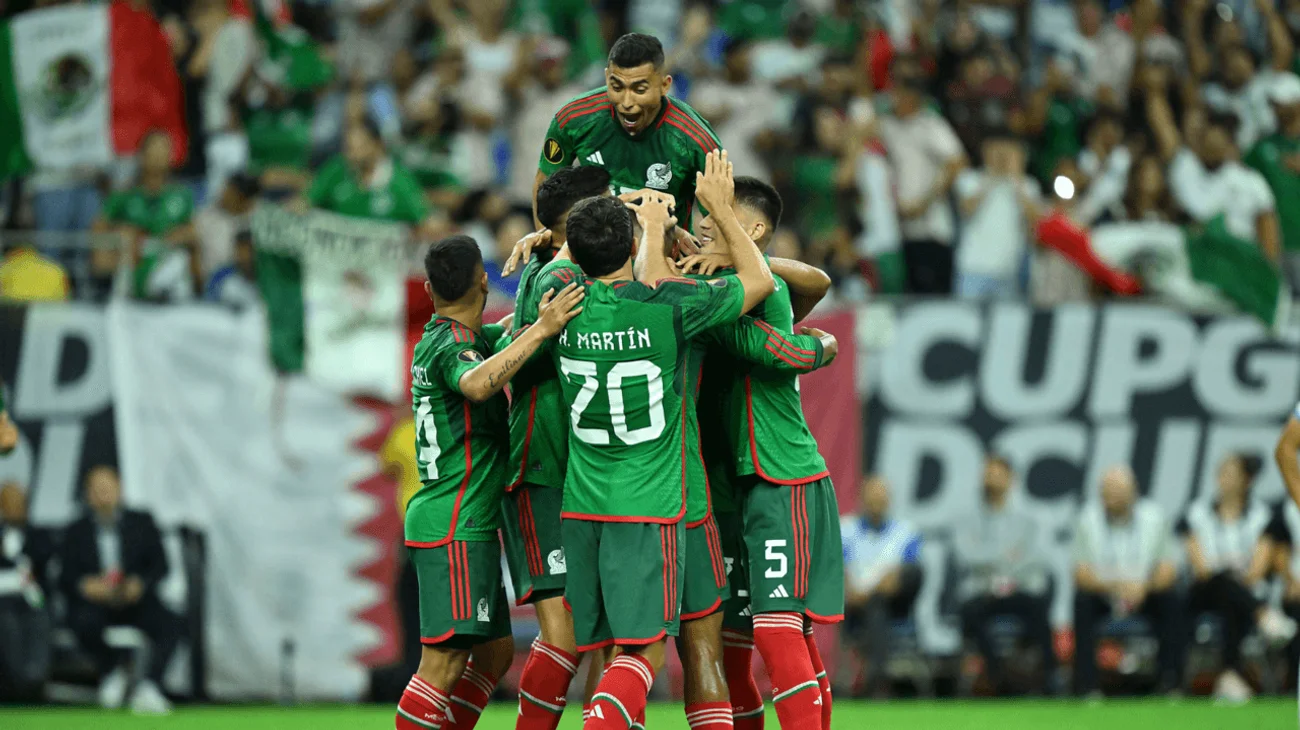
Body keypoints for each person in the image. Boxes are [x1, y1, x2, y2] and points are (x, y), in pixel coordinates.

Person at [535, 153, 773, 730]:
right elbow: (761, 281)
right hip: (662, 502)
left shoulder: (558, 302)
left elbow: (584, 262)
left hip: (585, 506)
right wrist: (710, 212)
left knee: (614, 650)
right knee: (664, 653)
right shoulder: (671, 307)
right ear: (629, 242)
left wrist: (612, 222)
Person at [393, 235, 584, 730]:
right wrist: (543, 329)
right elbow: (479, 383)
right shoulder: (454, 347)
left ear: (430, 290)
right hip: (454, 522)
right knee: (442, 664)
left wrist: (561, 249)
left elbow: (511, 330)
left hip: (461, 520)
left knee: (495, 652)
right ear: (484, 281)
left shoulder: (455, 338)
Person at [679, 174, 838, 730]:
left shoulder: (759, 292)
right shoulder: (722, 283)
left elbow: (786, 347)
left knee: (777, 630)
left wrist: (815, 349)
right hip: (727, 485)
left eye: (715, 215)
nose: (702, 226)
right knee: (737, 642)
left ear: (751, 230)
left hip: (778, 473)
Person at [503, 166, 614, 730]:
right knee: (565, 637)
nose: (618, 211)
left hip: (580, 471)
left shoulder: (558, 265)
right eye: (608, 203)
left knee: (606, 632)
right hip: (543, 465)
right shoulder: (560, 277)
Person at [532, 33, 720, 226]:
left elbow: (720, 217)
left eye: (639, 90)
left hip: (667, 244)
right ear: (607, 78)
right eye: (617, 87)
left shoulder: (696, 140)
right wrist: (545, 239)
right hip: (594, 242)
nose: (627, 102)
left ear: (664, 85)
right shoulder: (573, 119)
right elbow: (545, 188)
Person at [60, 466, 183, 714]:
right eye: (97, 489)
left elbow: (161, 566)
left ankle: (150, 686)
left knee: (172, 623)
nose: (103, 495)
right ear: (87, 495)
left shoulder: (142, 522)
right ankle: (113, 671)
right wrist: (86, 585)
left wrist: (140, 584)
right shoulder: (76, 530)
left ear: (120, 489)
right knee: (81, 620)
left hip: (134, 601)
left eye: (108, 488)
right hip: (96, 604)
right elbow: (65, 576)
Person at [1177, 453, 1297, 704]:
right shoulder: (1196, 513)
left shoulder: (1263, 515)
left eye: (1232, 473)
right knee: (1222, 582)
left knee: (1231, 599)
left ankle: (1229, 676)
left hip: (1244, 593)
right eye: (1222, 473)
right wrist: (1230, 574)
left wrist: (1235, 577)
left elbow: (1258, 569)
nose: (1225, 479)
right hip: (1205, 592)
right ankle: (1264, 616)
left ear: (1247, 479)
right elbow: (1201, 569)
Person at [1072, 465, 1182, 697]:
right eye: (1107, 492)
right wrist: (1115, 587)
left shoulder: (1154, 517)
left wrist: (1144, 588)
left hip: (1145, 592)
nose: (1112, 497)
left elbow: (1168, 570)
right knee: (1082, 601)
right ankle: (1087, 686)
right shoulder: (1087, 519)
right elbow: (1081, 574)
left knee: (1171, 600)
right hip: (1104, 593)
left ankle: (1170, 682)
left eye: (1119, 491)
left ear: (1134, 492)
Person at [952, 456, 1055, 695]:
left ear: (1010, 479)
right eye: (987, 475)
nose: (991, 480)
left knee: (1039, 607)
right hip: (982, 589)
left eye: (997, 475)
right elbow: (965, 556)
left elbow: (1036, 557)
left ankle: (1049, 678)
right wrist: (1005, 555)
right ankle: (996, 674)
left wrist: (997, 564)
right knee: (969, 612)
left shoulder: (1029, 516)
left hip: (1019, 587)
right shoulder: (966, 518)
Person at [841, 476, 922, 698]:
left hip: (896, 601)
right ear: (862, 499)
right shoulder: (845, 529)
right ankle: (876, 679)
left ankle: (875, 679)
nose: (876, 503)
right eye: (872, 497)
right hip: (855, 603)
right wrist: (851, 591)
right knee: (875, 605)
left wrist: (889, 581)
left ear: (889, 500)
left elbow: (909, 570)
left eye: (881, 497)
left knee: (913, 572)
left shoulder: (906, 531)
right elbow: (839, 568)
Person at [94, 131, 199, 301]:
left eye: (165, 149)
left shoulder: (182, 194)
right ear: (142, 155)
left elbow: (192, 232)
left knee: (180, 260)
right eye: (155, 149)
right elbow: (98, 232)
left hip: (169, 262)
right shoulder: (123, 195)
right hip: (131, 262)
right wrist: (119, 234)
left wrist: (180, 236)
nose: (160, 155)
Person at [308, 118, 432, 228]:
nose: (351, 155)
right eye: (348, 148)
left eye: (359, 148)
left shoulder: (400, 181)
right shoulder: (336, 169)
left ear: (377, 145)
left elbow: (426, 223)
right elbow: (305, 204)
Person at [0, 482, 50, 701]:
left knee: (40, 617)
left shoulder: (38, 536)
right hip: (2, 602)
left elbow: (43, 568)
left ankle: (34, 679)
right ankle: (16, 684)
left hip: (32, 599)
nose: (15, 508)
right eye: (9, 503)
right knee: (7, 624)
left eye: (19, 502)